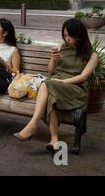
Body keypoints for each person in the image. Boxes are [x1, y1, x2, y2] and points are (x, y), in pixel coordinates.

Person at [13, 18, 98, 152]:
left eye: (69, 35)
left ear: (79, 35)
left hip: (75, 88)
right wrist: (53, 59)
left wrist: (64, 81)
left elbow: (83, 77)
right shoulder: (61, 48)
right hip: (56, 84)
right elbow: (51, 71)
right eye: (64, 35)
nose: (67, 39)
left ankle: (33, 124)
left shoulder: (92, 56)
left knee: (46, 84)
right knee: (50, 97)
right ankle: (54, 139)